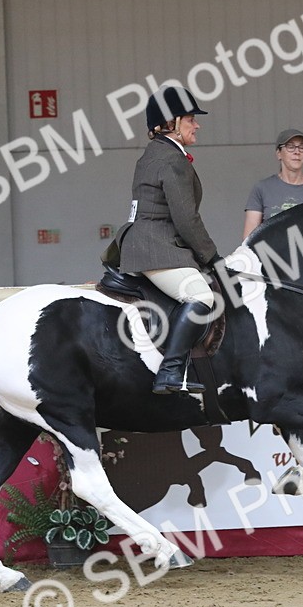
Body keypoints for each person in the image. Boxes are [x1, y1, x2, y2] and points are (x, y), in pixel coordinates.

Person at [115, 86, 224, 394]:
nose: (197, 124)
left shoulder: (154, 154)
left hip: (147, 242)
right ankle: (171, 370)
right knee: (202, 297)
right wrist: (213, 258)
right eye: (190, 118)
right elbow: (186, 220)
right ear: (172, 122)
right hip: (157, 247)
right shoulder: (172, 160)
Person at [242, 129, 303, 239]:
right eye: (290, 147)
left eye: (301, 147)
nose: (297, 152)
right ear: (279, 153)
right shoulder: (262, 188)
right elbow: (249, 238)